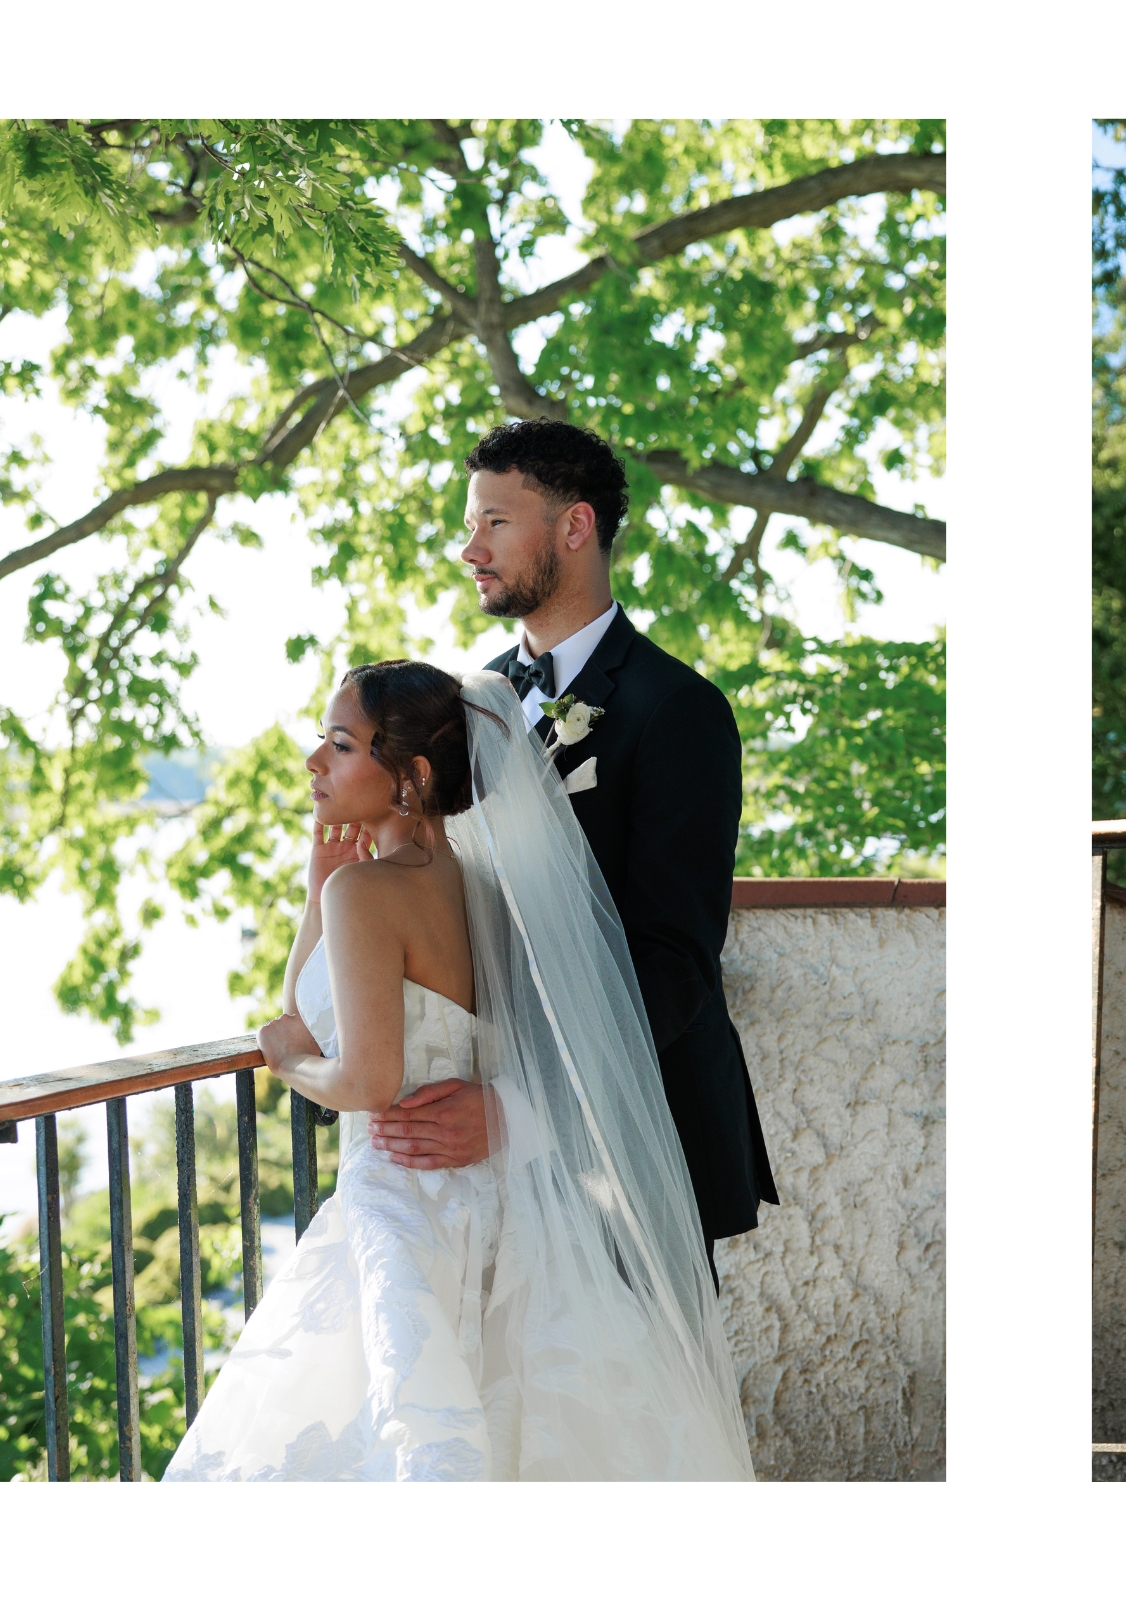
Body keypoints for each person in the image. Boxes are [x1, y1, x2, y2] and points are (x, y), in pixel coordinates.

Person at [167, 664, 755, 1480]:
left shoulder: (367, 893)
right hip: (493, 1200)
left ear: (410, 776)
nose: (314, 764)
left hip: (401, 1196)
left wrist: (289, 1061)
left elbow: (358, 1076)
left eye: (339, 746)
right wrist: (319, 890)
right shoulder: (476, 886)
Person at [366, 419, 778, 1278]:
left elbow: (675, 961)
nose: (468, 548)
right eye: (470, 524)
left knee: (635, 1408)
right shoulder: (470, 700)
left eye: (494, 523)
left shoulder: (679, 710)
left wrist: (523, 1110)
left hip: (630, 1138)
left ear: (575, 527)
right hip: (482, 1148)